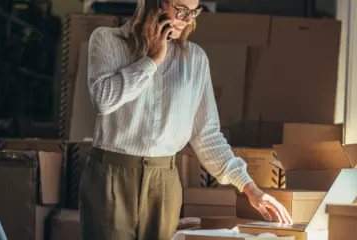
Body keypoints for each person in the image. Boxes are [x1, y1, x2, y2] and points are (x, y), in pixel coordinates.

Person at [80, 0, 293, 239]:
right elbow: (103, 101)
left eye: (193, 12)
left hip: (164, 182)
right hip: (110, 175)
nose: (188, 19)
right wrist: (152, 60)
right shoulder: (107, 40)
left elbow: (207, 135)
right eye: (181, 10)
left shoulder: (195, 59)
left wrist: (250, 188)